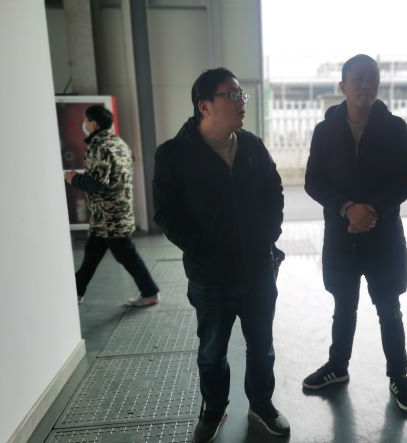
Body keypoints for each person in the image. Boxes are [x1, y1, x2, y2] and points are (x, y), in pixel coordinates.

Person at [152, 68, 289, 443]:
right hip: (210, 276)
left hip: (258, 269)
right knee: (213, 350)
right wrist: (202, 251)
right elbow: (166, 213)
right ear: (204, 105)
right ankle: (214, 408)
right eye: (231, 94)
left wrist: (267, 238)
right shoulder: (174, 155)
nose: (241, 101)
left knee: (262, 346)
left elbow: (274, 193)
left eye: (241, 93)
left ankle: (261, 405)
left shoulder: (252, 146)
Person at [302, 54, 407, 413]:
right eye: (359, 78)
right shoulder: (325, 131)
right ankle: (337, 367)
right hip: (341, 237)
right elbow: (313, 182)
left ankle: (399, 375)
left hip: (384, 237)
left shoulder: (395, 128)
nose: (367, 84)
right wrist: (346, 208)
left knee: (389, 309)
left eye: (373, 78)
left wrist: (371, 211)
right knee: (343, 307)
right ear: (343, 86)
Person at [65, 105, 159, 306]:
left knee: (126, 254)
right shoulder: (118, 142)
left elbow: (97, 183)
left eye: (85, 121)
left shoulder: (98, 145)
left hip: (109, 216)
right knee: (92, 252)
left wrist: (74, 178)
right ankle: (76, 292)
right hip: (114, 211)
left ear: (93, 124)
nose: (84, 124)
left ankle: (150, 293)